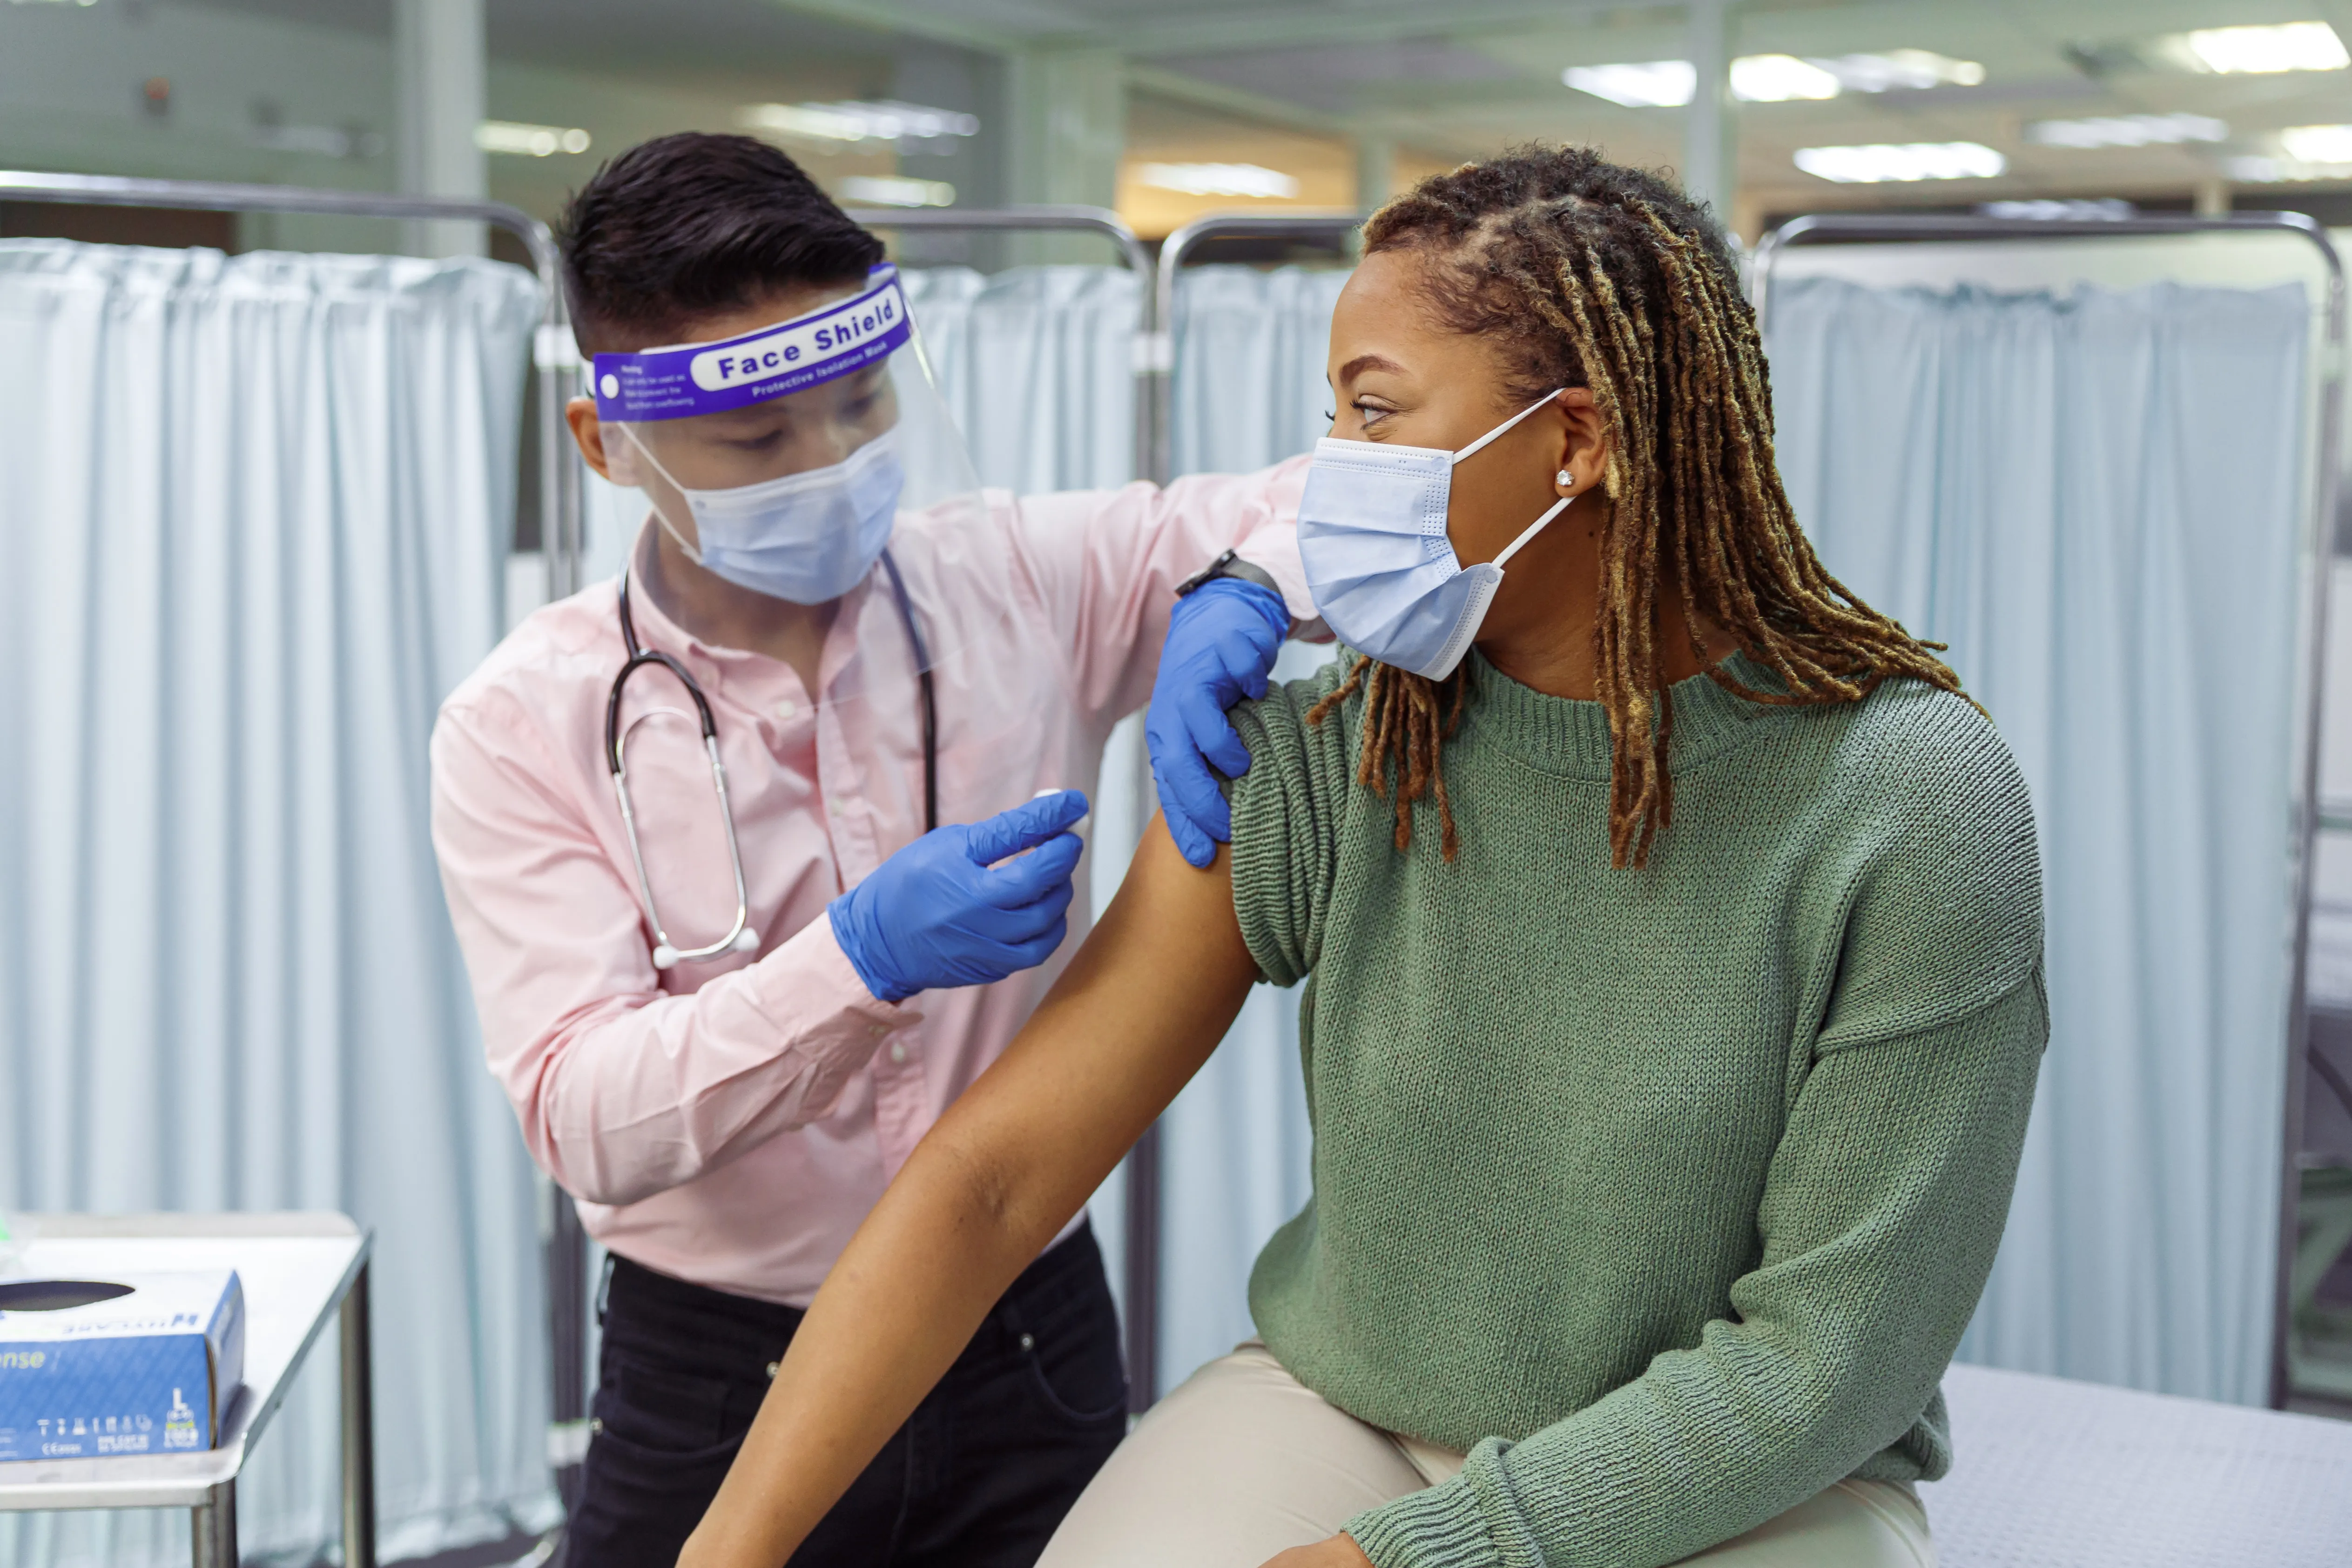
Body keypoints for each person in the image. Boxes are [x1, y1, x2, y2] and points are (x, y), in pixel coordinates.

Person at [675, 145, 2047, 1568]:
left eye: (1373, 414)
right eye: (1330, 414)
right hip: (1348, 1410)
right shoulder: (1332, 752)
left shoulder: (1906, 801)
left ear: (1575, 439)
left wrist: (1410, 1558)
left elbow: (1831, 1360)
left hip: (1746, 1474)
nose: (1326, 478)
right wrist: (727, 1553)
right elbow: (997, 1178)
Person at [428, 132, 1315, 1568]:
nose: (832, 464)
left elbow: (1362, 490)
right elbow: (584, 1115)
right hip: (714, 1368)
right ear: (608, 442)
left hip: (1020, 1330)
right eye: (758, 441)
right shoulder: (524, 723)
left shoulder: (1016, 577)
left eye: (858, 407)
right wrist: (856, 962)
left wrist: (1253, 582)